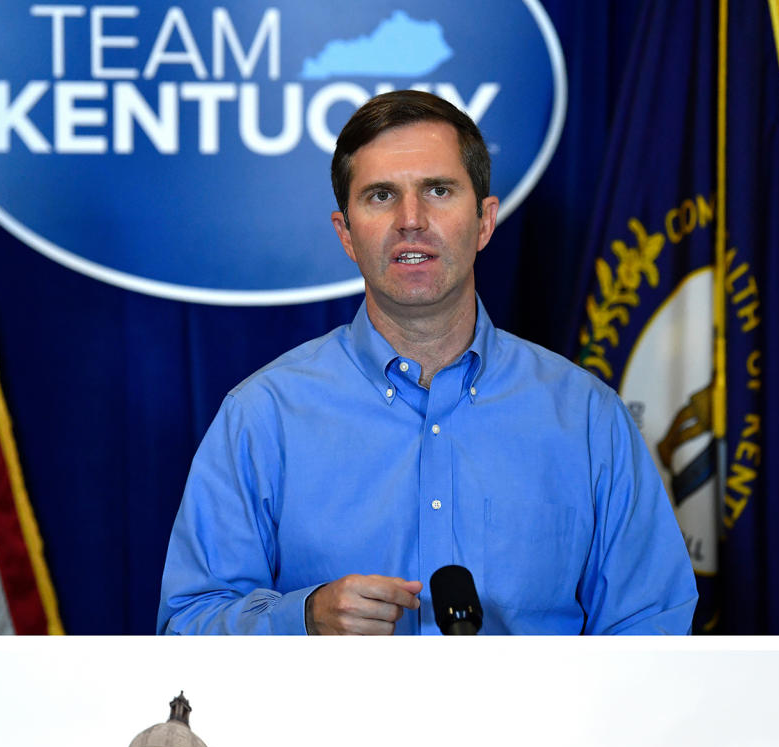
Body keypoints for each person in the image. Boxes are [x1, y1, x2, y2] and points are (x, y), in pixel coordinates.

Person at [157, 91, 697, 635]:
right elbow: (185, 626)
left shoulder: (586, 419)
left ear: (485, 221)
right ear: (346, 234)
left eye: (438, 191)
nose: (411, 220)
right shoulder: (261, 417)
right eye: (380, 195)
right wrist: (304, 619)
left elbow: (654, 628)